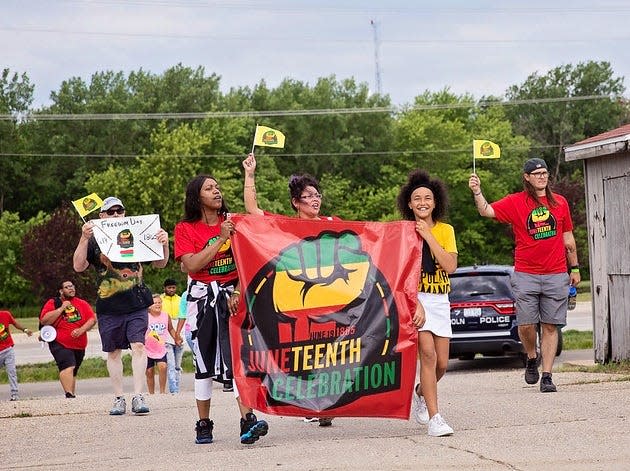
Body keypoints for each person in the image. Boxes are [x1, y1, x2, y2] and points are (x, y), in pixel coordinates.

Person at [469, 158, 580, 393]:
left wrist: (576, 268)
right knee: (526, 324)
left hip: (556, 273)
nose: (542, 176)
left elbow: (568, 239)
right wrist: (477, 191)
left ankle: (547, 376)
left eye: (545, 172)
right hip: (526, 274)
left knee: (550, 327)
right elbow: (486, 211)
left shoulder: (559, 203)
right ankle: (531, 356)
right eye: (537, 173)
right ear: (527, 177)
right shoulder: (516, 202)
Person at [174, 174, 269, 445]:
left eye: (217, 187)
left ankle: (247, 420)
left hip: (232, 296)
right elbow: (191, 266)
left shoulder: (234, 221)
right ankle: (203, 424)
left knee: (238, 357)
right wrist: (219, 239)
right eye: (209, 188)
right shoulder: (186, 228)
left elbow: (245, 261)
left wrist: (238, 291)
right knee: (203, 362)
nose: (217, 191)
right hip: (203, 300)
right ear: (197, 197)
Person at [242, 152, 335, 427]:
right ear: (296, 202)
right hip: (297, 301)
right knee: (304, 354)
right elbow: (253, 211)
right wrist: (249, 175)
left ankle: (327, 404)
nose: (316, 199)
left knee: (329, 354)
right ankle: (311, 404)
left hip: (329, 299)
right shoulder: (286, 226)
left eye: (318, 194)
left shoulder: (333, 225)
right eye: (309, 195)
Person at [72, 196, 170, 415]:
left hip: (136, 302)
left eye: (120, 211)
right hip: (108, 305)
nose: (116, 215)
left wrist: (165, 242)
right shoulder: (94, 239)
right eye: (111, 212)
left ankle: (138, 395)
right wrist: (83, 238)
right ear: (102, 215)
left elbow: (160, 263)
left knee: (138, 346)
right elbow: (78, 266)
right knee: (114, 352)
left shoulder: (137, 232)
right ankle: (118, 398)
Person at [397, 169, 457, 437]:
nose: (422, 202)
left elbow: (450, 266)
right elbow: (399, 276)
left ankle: (421, 392)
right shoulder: (402, 232)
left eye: (428, 198)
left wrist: (428, 235)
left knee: (442, 363)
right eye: (417, 198)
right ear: (409, 203)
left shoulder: (445, 230)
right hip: (416, 302)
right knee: (428, 356)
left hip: (440, 301)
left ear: (435, 202)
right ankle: (435, 419)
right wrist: (415, 304)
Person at [39, 280, 97, 398]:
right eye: (67, 287)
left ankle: (71, 396)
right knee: (68, 366)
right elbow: (44, 320)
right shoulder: (53, 303)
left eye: (72, 286)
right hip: (60, 342)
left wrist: (81, 330)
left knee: (73, 370)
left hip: (79, 344)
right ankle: (69, 394)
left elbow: (92, 319)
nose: (71, 288)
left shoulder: (82, 303)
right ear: (61, 291)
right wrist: (61, 308)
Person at [145, 294, 177, 394]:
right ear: (149, 306)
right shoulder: (145, 317)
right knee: (149, 372)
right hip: (147, 349)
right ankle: (151, 393)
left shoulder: (165, 315)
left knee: (163, 367)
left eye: (160, 302)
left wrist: (176, 337)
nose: (158, 305)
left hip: (160, 348)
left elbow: (170, 328)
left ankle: (162, 392)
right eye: (155, 303)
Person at [0, 309, 33, 401]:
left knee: (12, 372)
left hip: (7, 350)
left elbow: (15, 323)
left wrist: (25, 330)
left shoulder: (5, 315)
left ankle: (14, 394)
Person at [160, 278, 185, 393]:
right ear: (164, 288)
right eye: (169, 287)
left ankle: (177, 387)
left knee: (177, 365)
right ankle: (173, 389)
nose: (171, 289)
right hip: (166, 331)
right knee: (170, 363)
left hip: (179, 330)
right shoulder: (160, 300)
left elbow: (184, 316)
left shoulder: (180, 300)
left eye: (173, 287)